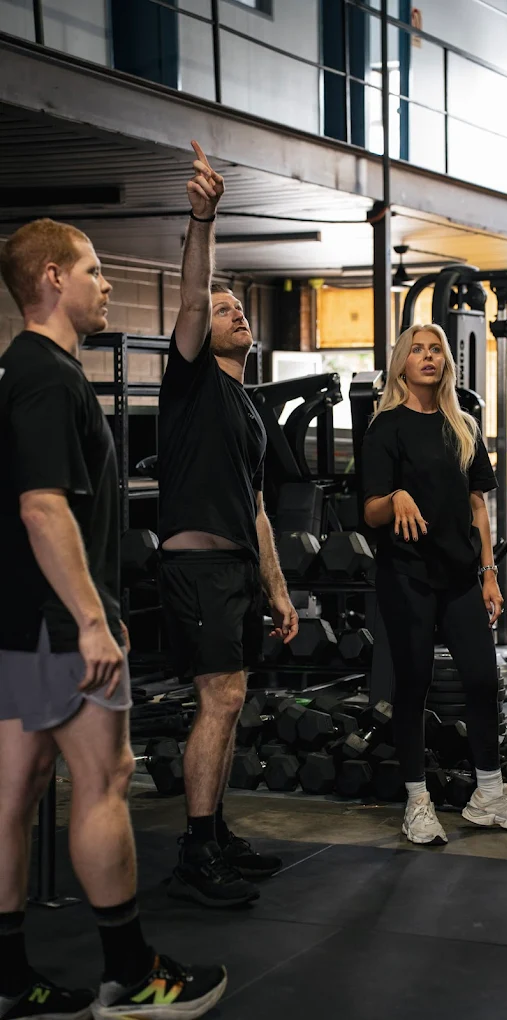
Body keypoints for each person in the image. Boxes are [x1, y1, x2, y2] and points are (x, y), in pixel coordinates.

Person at [0, 219, 226, 1020]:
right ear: (53, 278)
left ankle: (7, 979)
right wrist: (93, 620)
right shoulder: (46, 377)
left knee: (15, 797)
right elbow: (41, 508)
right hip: (60, 632)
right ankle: (132, 977)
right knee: (105, 781)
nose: (106, 285)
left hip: (26, 624)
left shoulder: (24, 371)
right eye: (95, 270)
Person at [158, 142, 299, 908]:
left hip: (237, 571)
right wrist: (202, 220)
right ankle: (194, 848)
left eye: (239, 307)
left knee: (233, 696)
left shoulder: (246, 408)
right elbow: (187, 300)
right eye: (223, 309)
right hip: (199, 572)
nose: (233, 312)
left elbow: (255, 507)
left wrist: (278, 590)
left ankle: (213, 834)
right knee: (220, 698)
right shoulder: (188, 383)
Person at [362, 323, 507, 845]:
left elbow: (477, 507)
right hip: (407, 576)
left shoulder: (461, 425)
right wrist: (394, 496)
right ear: (402, 363)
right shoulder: (386, 427)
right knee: (414, 685)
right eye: (417, 349)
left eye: (435, 349)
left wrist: (490, 574)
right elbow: (371, 510)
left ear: (446, 361)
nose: (427, 356)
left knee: (485, 682)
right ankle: (417, 800)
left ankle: (489, 794)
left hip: (462, 577)